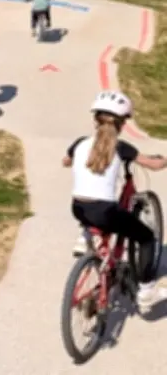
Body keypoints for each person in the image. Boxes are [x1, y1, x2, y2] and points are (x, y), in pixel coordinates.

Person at [65, 91, 167, 310]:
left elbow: (66, 161)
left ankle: (85, 237)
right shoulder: (121, 148)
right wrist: (163, 160)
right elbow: (153, 164)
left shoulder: (80, 143)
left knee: (94, 212)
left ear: (96, 120)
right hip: (104, 211)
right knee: (146, 238)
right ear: (121, 124)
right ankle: (147, 291)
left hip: (78, 207)